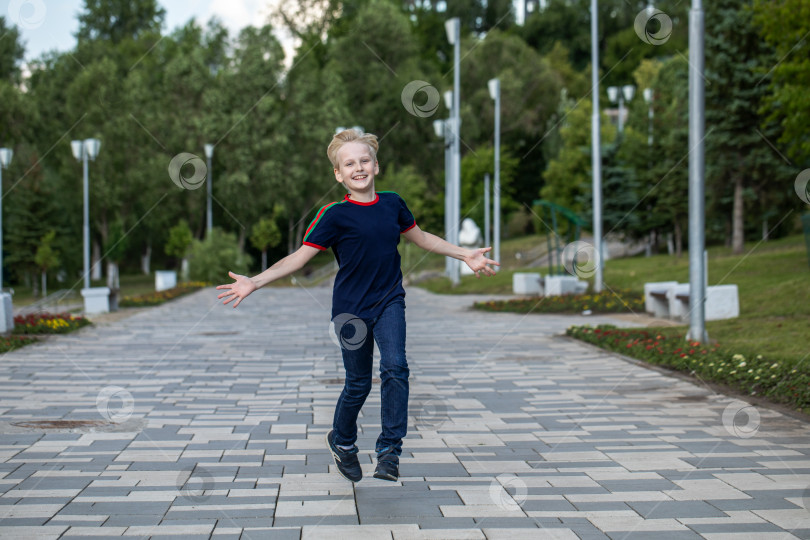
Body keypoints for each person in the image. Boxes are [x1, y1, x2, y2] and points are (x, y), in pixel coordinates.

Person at [216, 129, 498, 483]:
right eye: (349, 163)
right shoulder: (333, 215)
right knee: (358, 384)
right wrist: (254, 281)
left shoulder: (393, 204)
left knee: (396, 367)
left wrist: (464, 254)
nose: (358, 167)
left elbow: (422, 238)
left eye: (364, 160)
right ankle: (343, 441)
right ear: (339, 174)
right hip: (350, 312)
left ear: (376, 165)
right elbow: (299, 259)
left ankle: (389, 451)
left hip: (389, 301)